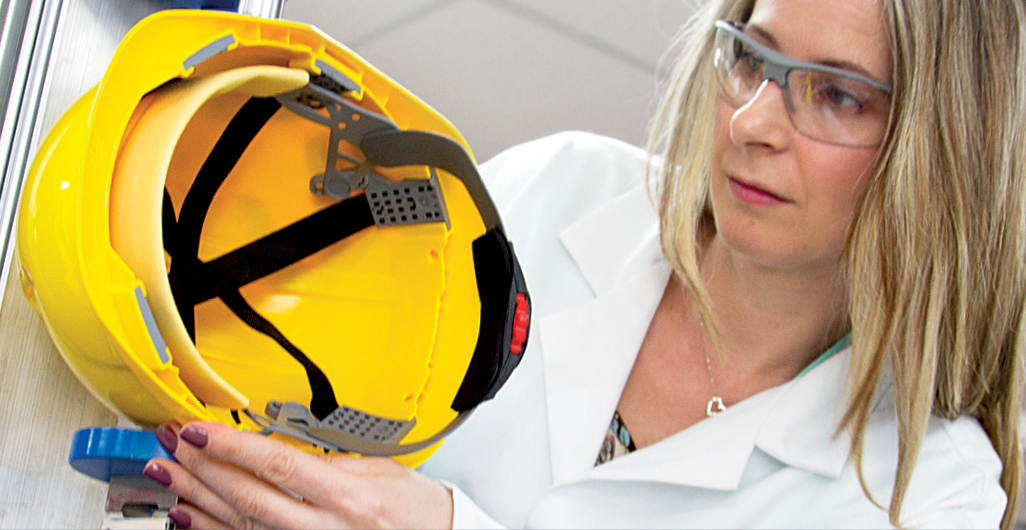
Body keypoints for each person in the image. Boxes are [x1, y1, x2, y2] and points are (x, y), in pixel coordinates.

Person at [140, 0, 1026, 527]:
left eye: (834, 94)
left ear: (939, 149)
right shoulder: (558, 188)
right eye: (752, 59)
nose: (753, 121)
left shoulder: (929, 493)